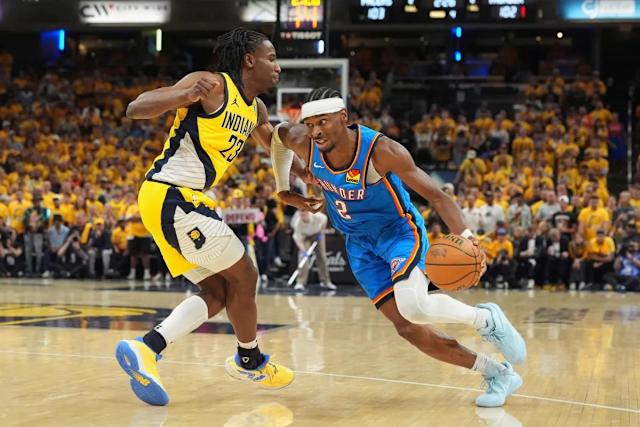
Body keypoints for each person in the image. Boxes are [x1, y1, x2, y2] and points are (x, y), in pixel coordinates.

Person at [271, 87, 526, 407]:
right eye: (311, 124)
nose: (316, 130)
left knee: (414, 307)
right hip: (358, 244)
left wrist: (469, 238)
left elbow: (436, 196)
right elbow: (276, 136)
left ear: (343, 117)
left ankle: (485, 319)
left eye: (323, 122)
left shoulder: (381, 151)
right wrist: (283, 188)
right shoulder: (304, 142)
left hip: (398, 233)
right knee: (408, 328)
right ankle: (497, 374)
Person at [115, 28, 302, 406]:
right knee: (246, 274)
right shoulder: (212, 85)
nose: (277, 67)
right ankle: (249, 360)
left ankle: (146, 348)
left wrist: (301, 179)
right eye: (271, 58)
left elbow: (276, 147)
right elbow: (136, 107)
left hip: (175, 201)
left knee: (219, 291)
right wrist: (182, 96)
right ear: (249, 60)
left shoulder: (255, 109)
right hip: (172, 194)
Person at [290, 210, 335, 291]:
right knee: (303, 258)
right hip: (305, 237)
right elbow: (298, 240)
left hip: (318, 234)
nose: (303, 216)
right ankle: (300, 282)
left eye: (304, 214)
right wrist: (304, 251)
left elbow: (325, 219)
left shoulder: (317, 216)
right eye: (301, 214)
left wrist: (321, 232)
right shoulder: (297, 223)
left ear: (308, 212)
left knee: (322, 257)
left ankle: (325, 281)